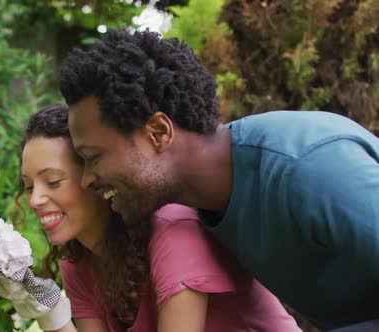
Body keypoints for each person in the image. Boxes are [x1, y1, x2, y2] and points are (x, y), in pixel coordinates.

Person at [59, 29, 379, 331]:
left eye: (93, 156)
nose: (87, 179)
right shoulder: (205, 206)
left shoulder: (308, 166)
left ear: (158, 133)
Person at [0, 104, 300, 331]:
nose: (35, 199)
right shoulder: (79, 265)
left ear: (95, 176)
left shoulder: (174, 233)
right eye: (28, 186)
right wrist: (49, 310)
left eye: (53, 181)